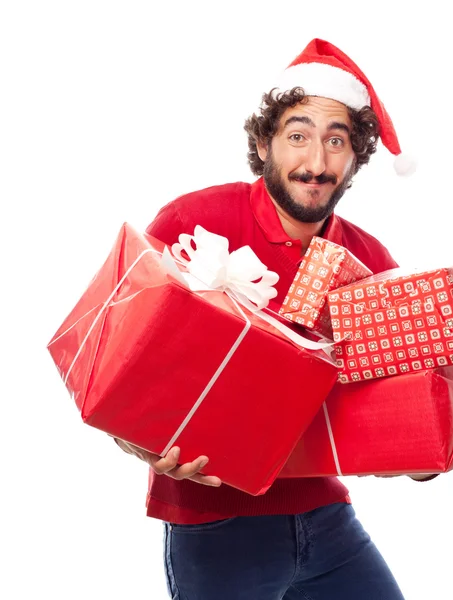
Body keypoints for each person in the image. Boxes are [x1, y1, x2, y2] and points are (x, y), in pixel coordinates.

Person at [115, 39, 436, 600]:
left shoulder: (372, 262)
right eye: (298, 136)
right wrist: (141, 444)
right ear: (264, 142)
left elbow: (399, 401)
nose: (316, 163)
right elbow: (123, 367)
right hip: (214, 523)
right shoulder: (194, 219)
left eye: (337, 141)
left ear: (356, 156)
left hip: (327, 516)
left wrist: (423, 455)